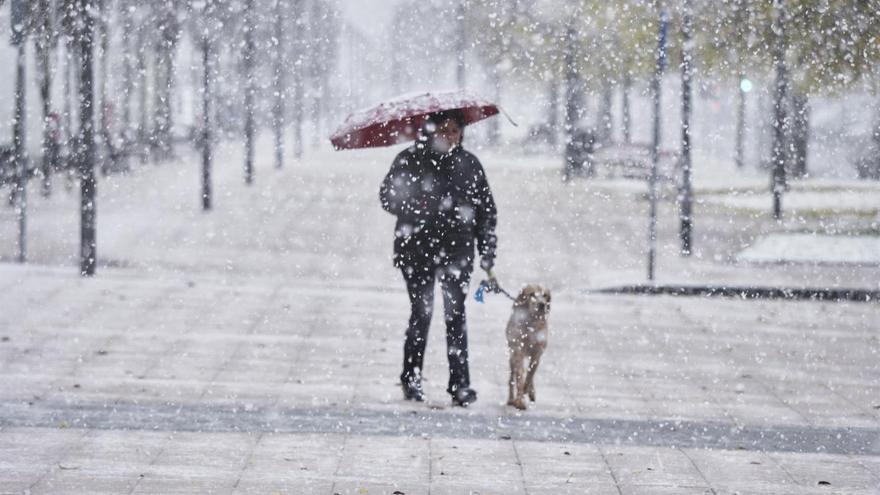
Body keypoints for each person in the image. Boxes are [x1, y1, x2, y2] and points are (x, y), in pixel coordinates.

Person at [379, 110, 498, 407]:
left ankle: (460, 385)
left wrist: (487, 253)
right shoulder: (410, 159)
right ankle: (412, 377)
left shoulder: (469, 164)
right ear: (430, 130)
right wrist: (417, 206)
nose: (450, 135)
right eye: (444, 129)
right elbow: (386, 196)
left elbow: (486, 211)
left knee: (455, 314)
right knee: (422, 311)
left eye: (455, 130)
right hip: (416, 249)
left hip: (457, 251)